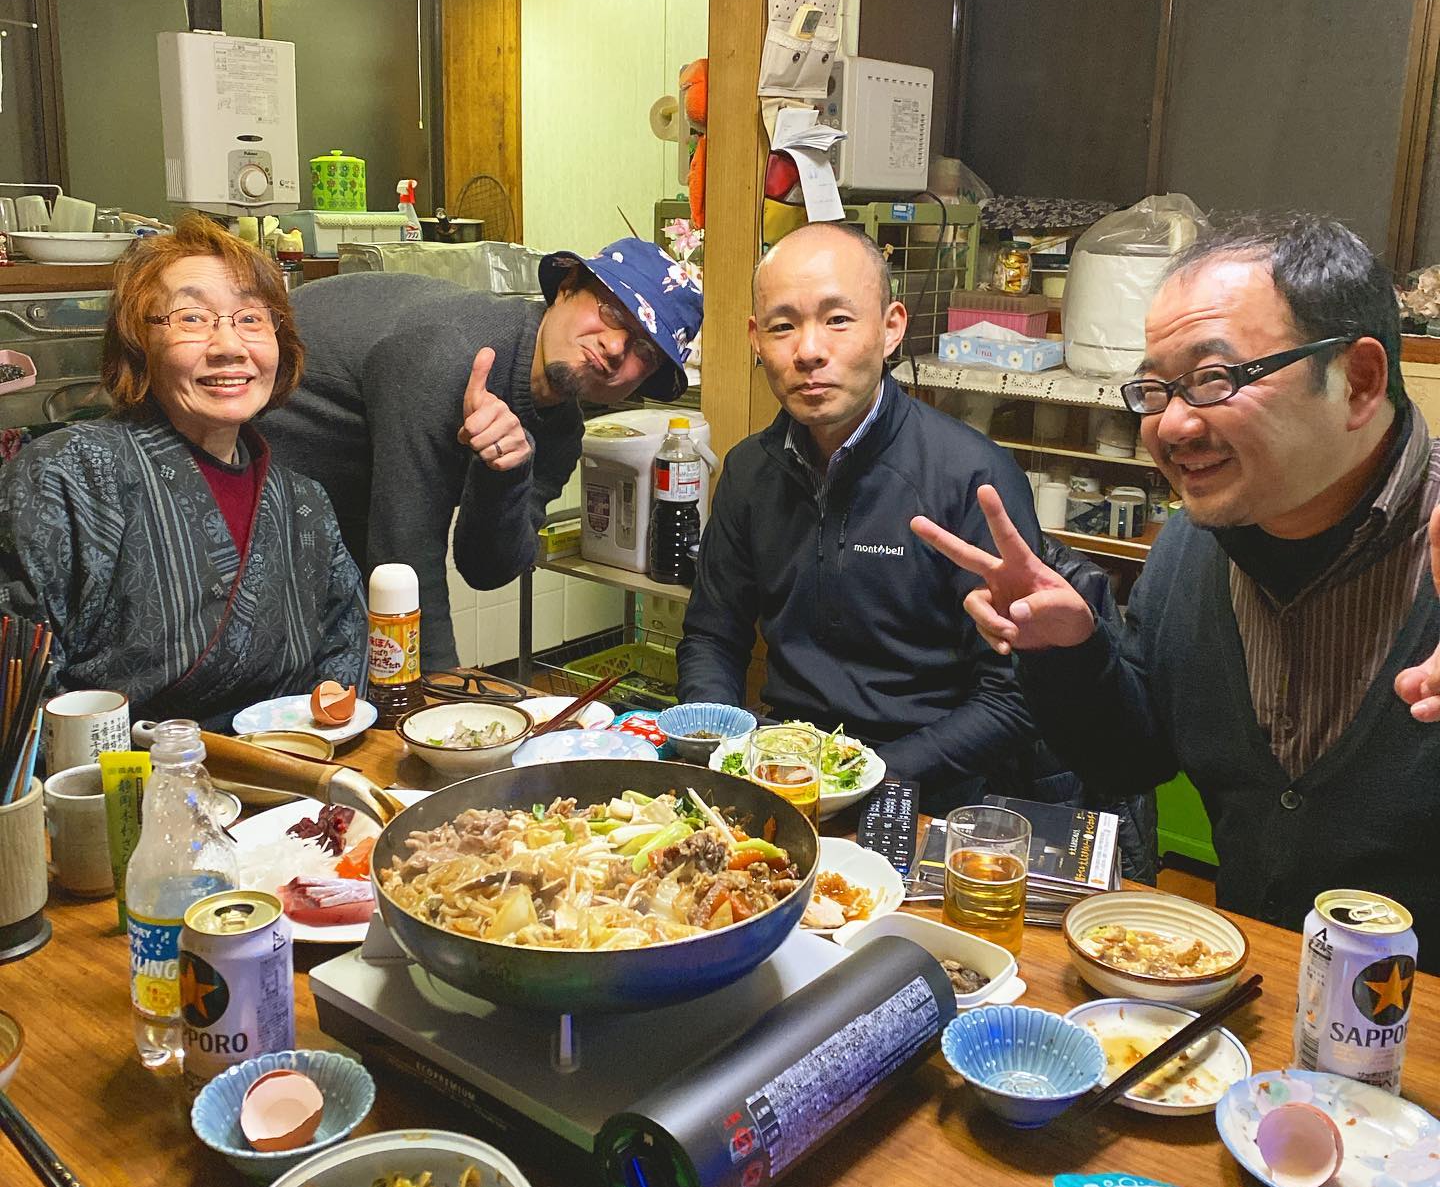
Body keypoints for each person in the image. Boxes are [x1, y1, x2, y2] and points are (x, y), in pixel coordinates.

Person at [914, 213, 1440, 964]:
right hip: (1257, 996)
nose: (1172, 424)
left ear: (1358, 381)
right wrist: (1071, 652)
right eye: (1157, 389)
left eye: (1215, 378)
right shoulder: (1191, 550)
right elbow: (1138, 761)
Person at [678, 220, 1042, 812]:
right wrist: (726, 748)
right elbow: (712, 637)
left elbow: (1011, 699)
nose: (809, 350)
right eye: (782, 325)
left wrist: (858, 780)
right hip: (779, 778)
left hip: (927, 793)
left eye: (838, 319)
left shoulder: (972, 479)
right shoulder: (748, 472)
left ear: (891, 327)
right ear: (755, 339)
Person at [262, 238, 703, 669]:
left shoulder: (560, 432)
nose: (614, 347)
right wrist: (439, 700)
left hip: (338, 516)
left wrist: (505, 473)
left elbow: (488, 570)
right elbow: (405, 549)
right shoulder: (448, 355)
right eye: (610, 312)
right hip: (253, 477)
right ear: (566, 288)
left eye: (643, 350)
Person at [0, 216, 366, 729]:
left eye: (252, 319)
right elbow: (22, 694)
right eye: (192, 318)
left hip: (292, 779)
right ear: (137, 345)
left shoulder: (305, 504)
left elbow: (343, 667)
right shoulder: (67, 475)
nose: (229, 346)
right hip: (122, 789)